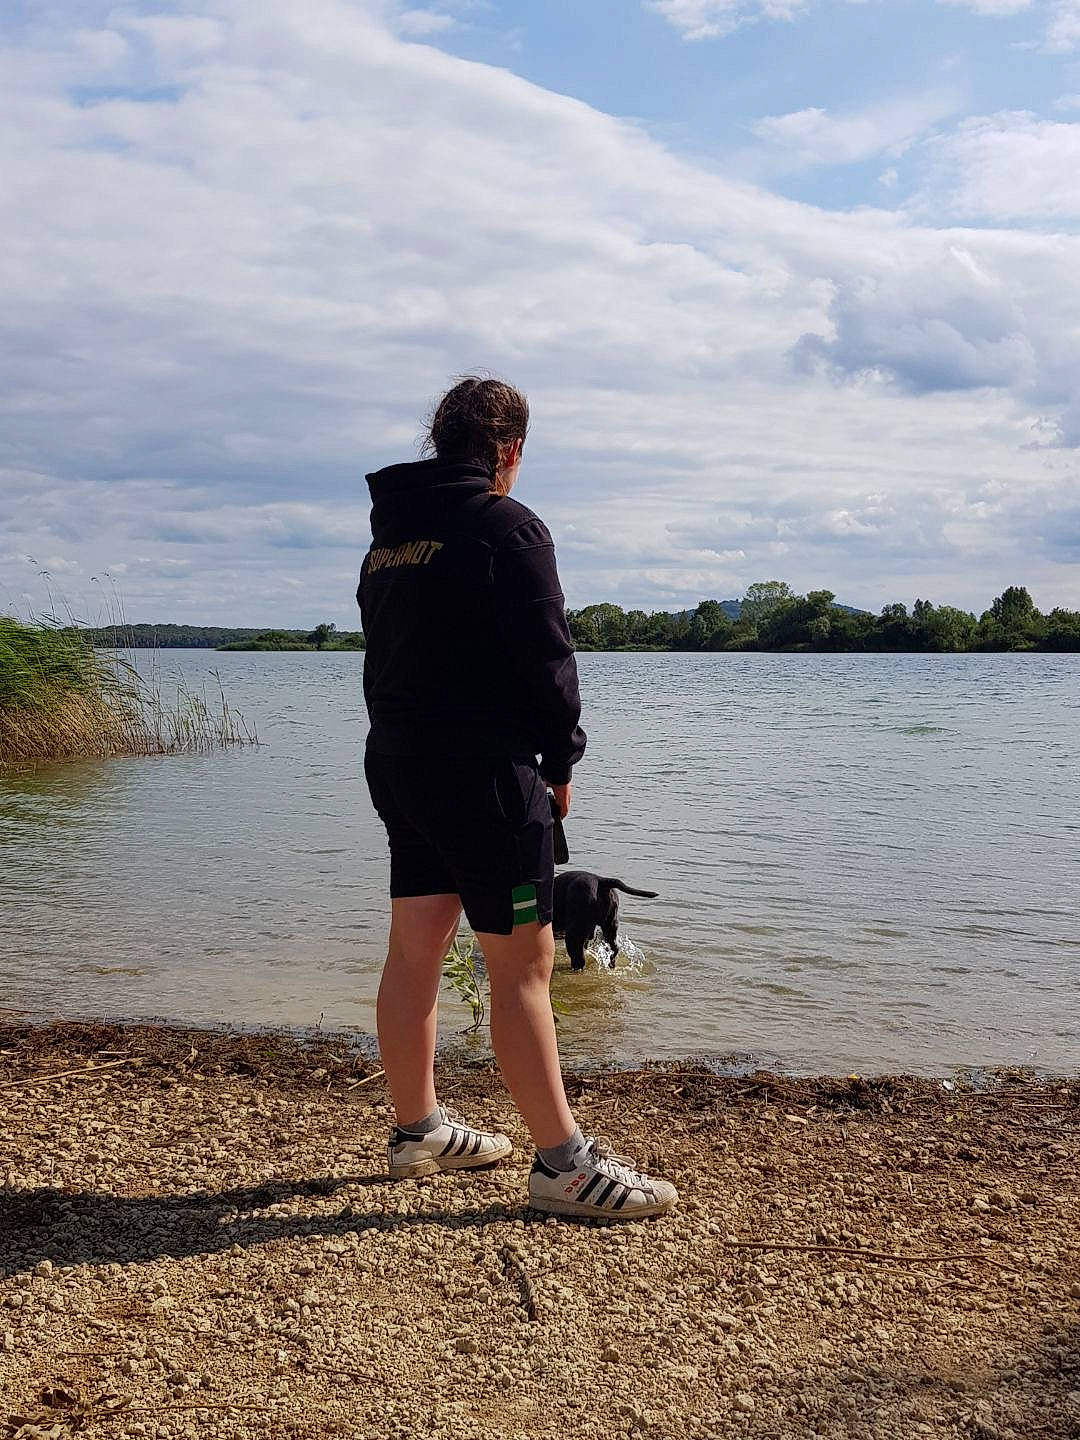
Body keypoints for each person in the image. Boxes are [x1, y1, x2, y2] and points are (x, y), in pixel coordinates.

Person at [357, 376, 677, 1220]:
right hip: (485, 775)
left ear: (441, 441)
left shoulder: (389, 541)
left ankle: (419, 1127)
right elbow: (548, 658)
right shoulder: (508, 526)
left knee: (415, 949)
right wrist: (560, 759)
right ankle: (563, 1165)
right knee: (524, 969)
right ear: (509, 452)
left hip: (398, 762)